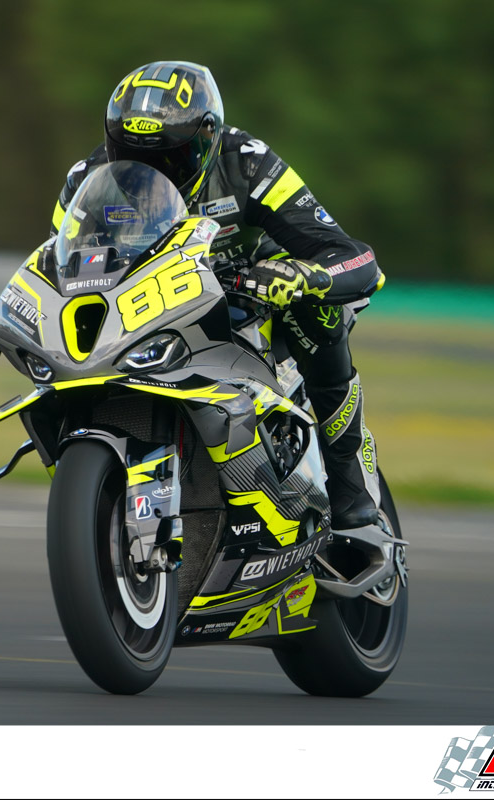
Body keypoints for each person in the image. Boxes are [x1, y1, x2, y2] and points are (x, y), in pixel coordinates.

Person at [49, 60, 385, 531]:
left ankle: (352, 491)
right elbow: (60, 265)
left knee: (319, 318)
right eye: (132, 154)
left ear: (207, 140)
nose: (152, 171)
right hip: (147, 312)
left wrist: (302, 277)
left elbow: (353, 256)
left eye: (171, 157)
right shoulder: (88, 179)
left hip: (248, 301)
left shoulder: (248, 162)